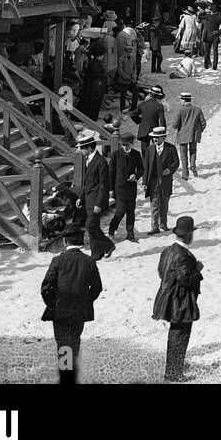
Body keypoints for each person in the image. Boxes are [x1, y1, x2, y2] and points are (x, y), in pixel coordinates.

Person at [40, 227, 103, 383]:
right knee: (74, 341)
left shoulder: (58, 260)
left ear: (64, 241)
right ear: (81, 241)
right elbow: (97, 287)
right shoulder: (89, 261)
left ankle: (66, 378)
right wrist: (86, 301)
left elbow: (46, 287)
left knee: (63, 344)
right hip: (79, 310)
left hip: (60, 309)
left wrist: (53, 303)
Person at [152, 215, 203, 382]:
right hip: (179, 300)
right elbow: (185, 280)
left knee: (175, 334)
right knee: (180, 336)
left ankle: (173, 367)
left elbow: (161, 272)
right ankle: (174, 372)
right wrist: (197, 270)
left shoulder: (167, 250)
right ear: (189, 235)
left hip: (167, 296)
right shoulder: (185, 256)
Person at [78, 130, 115, 260]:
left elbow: (103, 185)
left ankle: (108, 245)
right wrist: (81, 197)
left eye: (82, 149)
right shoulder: (87, 160)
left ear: (88, 148)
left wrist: (99, 203)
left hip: (96, 200)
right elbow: (86, 182)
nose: (81, 152)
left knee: (90, 226)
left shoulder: (101, 162)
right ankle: (96, 253)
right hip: (88, 198)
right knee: (93, 227)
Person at [107, 131, 142, 242]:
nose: (125, 147)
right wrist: (111, 189)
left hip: (131, 188)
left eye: (127, 144)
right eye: (123, 145)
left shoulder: (136, 154)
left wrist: (135, 175)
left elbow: (142, 169)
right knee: (120, 212)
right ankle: (111, 231)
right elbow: (111, 173)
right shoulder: (116, 155)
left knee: (131, 212)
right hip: (119, 188)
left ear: (132, 143)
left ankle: (130, 235)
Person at [143, 127, 178, 235]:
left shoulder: (171, 148)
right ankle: (154, 227)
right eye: (154, 138)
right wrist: (144, 182)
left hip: (166, 180)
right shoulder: (150, 149)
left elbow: (176, 162)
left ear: (163, 137)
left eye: (157, 138)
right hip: (153, 181)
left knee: (164, 202)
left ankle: (163, 224)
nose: (155, 140)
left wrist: (170, 170)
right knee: (154, 204)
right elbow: (146, 166)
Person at [169, 91, 207, 180]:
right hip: (194, 135)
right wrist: (198, 131)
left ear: (183, 100)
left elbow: (174, 125)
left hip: (182, 135)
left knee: (183, 155)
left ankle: (185, 174)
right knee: (193, 151)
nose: (180, 102)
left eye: (180, 100)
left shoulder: (181, 110)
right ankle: (193, 165)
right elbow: (203, 123)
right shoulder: (198, 109)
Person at [129, 85, 166, 158]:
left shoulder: (142, 104)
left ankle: (145, 167)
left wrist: (140, 121)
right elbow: (162, 121)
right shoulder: (159, 106)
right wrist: (163, 133)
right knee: (157, 150)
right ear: (157, 96)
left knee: (144, 152)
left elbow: (132, 114)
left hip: (143, 129)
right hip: (155, 130)